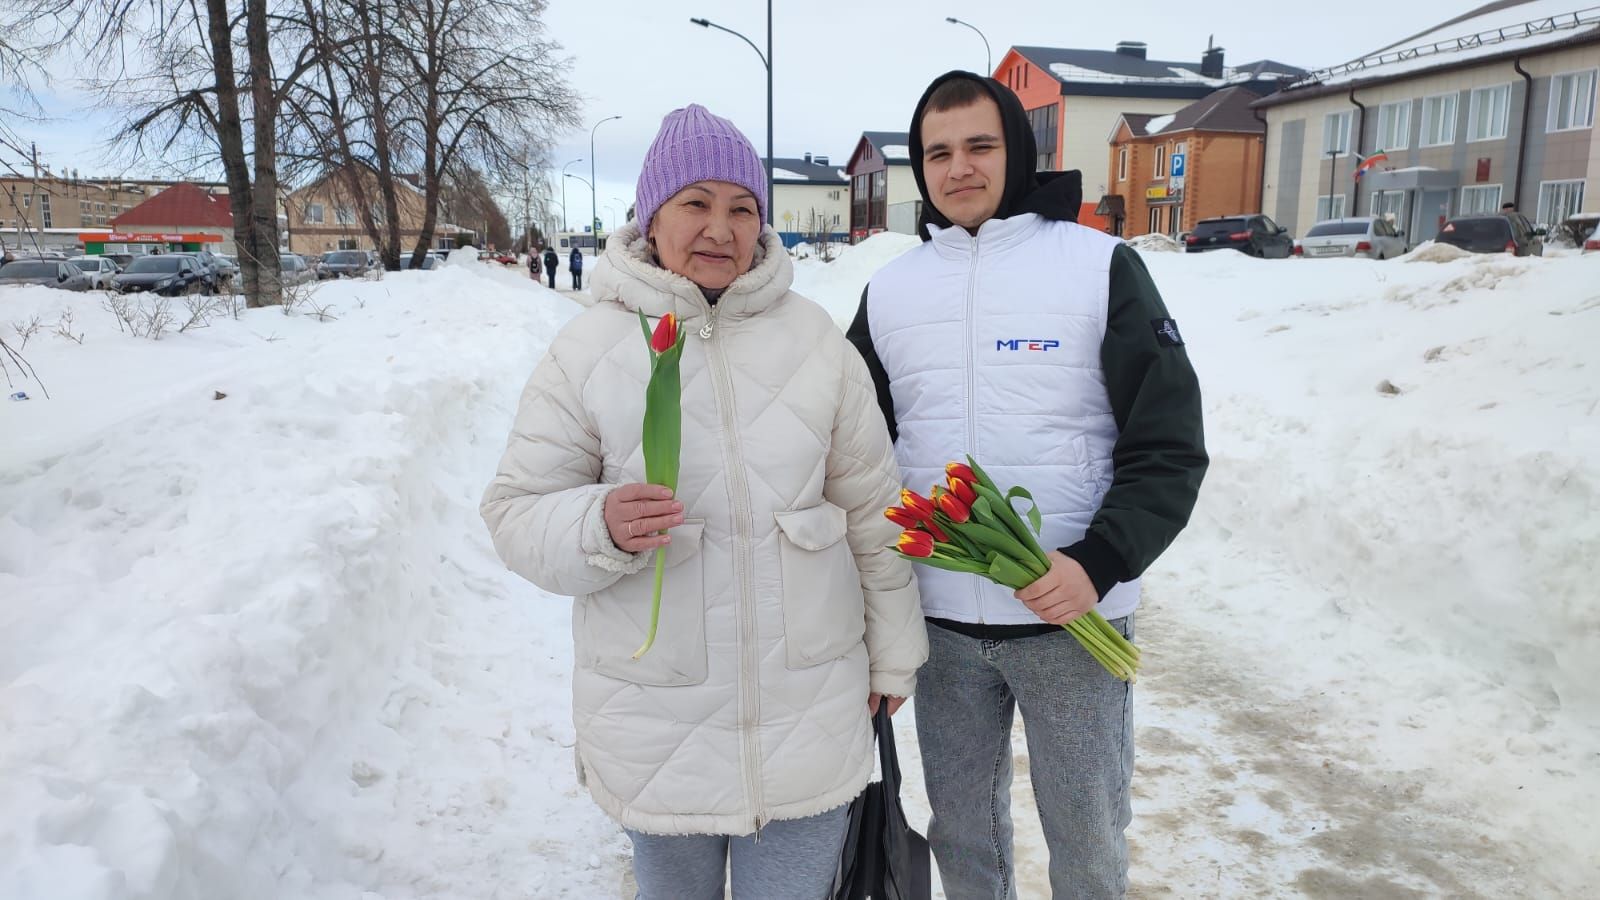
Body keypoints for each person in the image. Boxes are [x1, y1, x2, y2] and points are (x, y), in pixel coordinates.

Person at [481, 103, 927, 900]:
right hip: (657, 727)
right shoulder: (587, 349)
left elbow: (872, 512)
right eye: (697, 203)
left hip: (808, 715)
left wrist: (894, 652)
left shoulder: (818, 343)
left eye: (742, 208)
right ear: (652, 217)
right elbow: (516, 510)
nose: (720, 227)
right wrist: (598, 522)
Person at [846, 71, 1209, 898]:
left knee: (1086, 835)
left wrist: (1099, 561)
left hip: (1072, 620)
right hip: (940, 624)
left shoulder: (1099, 264)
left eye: (980, 145)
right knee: (964, 834)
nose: (958, 168)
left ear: (1018, 150)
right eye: (937, 152)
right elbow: (852, 449)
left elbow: (1169, 443)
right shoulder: (892, 290)